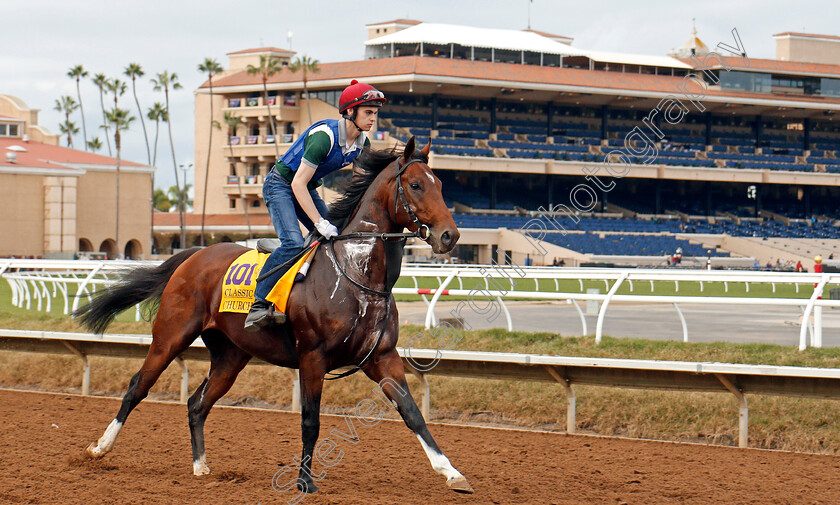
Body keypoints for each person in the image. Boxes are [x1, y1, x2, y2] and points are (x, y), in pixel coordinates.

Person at [244, 80, 386, 331]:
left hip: (306, 188)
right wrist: (320, 223)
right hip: (281, 185)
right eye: (368, 112)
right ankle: (258, 304)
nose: (373, 118)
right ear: (349, 112)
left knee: (338, 238)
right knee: (293, 243)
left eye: (375, 113)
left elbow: (361, 186)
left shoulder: (362, 144)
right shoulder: (324, 137)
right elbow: (297, 184)